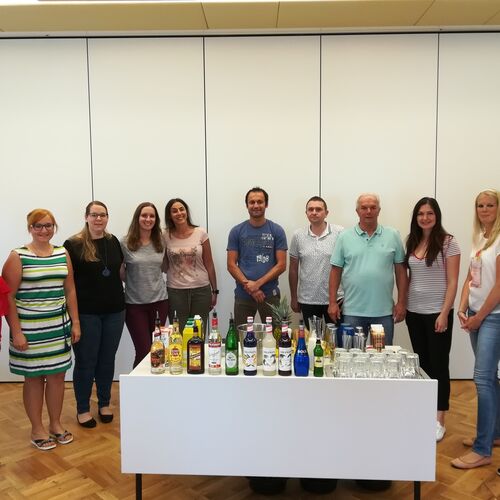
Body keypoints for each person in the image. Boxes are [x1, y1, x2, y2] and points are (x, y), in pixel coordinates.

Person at [2, 209, 80, 450]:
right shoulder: (18, 256)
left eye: (48, 226)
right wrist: (16, 332)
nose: (44, 230)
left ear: (54, 228)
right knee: (34, 379)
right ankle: (37, 429)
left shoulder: (62, 253)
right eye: (38, 226)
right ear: (30, 228)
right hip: (30, 330)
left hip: (58, 327)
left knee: (57, 377)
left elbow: (70, 290)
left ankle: (55, 424)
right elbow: (7, 297)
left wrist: (75, 322)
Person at [64, 201, 125, 428]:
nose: (99, 219)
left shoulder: (113, 241)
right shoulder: (73, 244)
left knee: (107, 360)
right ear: (86, 217)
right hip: (86, 314)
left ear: (107, 217)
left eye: (103, 215)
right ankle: (82, 408)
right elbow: (68, 285)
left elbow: (119, 272)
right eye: (94, 215)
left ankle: (104, 403)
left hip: (115, 311)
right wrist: (75, 320)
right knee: (86, 362)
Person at [452, 189, 500, 470]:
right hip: (476, 314)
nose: (484, 209)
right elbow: (471, 277)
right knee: (490, 379)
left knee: (482, 380)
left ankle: (482, 450)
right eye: (480, 205)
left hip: (493, 317)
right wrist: (462, 307)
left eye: (490, 205)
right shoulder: (481, 237)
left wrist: (480, 317)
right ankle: (495, 434)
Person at [405, 197, 460, 442]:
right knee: (423, 365)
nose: (425, 218)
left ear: (436, 216)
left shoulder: (448, 242)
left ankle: (439, 420)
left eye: (429, 213)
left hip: (437, 314)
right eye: (420, 214)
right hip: (414, 313)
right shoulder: (412, 241)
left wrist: (444, 313)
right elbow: (410, 278)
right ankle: (425, 412)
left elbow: (453, 281)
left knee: (439, 366)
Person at [328, 193, 407, 346]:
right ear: (357, 211)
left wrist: (402, 303)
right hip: (352, 312)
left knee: (383, 356)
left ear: (379, 210)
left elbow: (401, 272)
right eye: (364, 208)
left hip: (383, 312)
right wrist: (332, 302)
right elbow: (335, 271)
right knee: (352, 356)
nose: (368, 211)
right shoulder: (344, 237)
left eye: (373, 207)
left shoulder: (393, 235)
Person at [227, 187, 287, 328]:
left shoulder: (277, 230)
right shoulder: (236, 231)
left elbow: (281, 265)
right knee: (242, 335)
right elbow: (231, 265)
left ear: (266, 204)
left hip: (270, 295)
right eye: (252, 202)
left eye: (260, 202)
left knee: (275, 335)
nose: (256, 205)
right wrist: (250, 287)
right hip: (243, 295)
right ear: (246, 205)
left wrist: (257, 284)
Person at [121, 202, 168, 368]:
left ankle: (157, 382)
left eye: (152, 216)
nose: (148, 219)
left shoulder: (161, 241)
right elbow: (120, 271)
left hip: (160, 302)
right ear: (137, 218)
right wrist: (135, 282)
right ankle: (138, 385)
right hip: (135, 304)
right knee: (143, 351)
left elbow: (165, 267)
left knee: (157, 349)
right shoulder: (125, 242)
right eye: (144, 215)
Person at [163, 198, 217, 334]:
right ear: (169, 215)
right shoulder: (164, 236)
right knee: (179, 334)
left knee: (198, 334)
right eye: (174, 211)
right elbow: (163, 265)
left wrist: (214, 290)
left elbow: (209, 263)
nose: (179, 213)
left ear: (186, 211)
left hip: (201, 291)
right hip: (175, 292)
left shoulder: (201, 233)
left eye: (181, 209)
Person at [289, 196, 343, 326]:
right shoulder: (298, 235)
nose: (314, 212)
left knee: (336, 337)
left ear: (326, 213)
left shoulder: (340, 233)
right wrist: (294, 297)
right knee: (312, 337)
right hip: (308, 299)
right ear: (306, 213)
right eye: (311, 209)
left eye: (318, 209)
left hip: (335, 299)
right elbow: (293, 269)